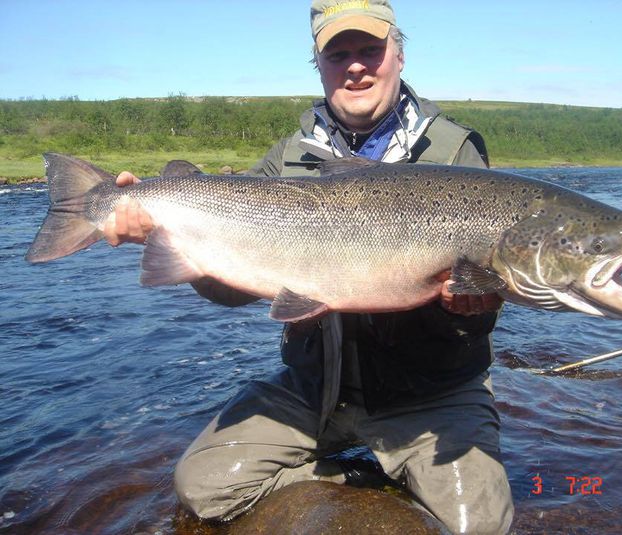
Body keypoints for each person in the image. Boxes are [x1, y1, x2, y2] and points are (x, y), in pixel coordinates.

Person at [105, 1, 514, 533]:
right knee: (202, 488)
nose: (356, 66)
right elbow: (232, 292)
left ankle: (388, 479)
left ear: (400, 54)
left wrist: (468, 308)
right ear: (318, 66)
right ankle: (365, 490)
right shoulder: (286, 159)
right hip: (317, 386)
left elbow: (484, 306)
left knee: (479, 527)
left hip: (431, 391)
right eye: (338, 54)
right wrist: (166, 235)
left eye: (371, 50)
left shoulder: (454, 150)